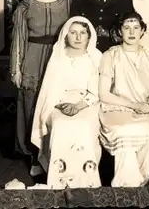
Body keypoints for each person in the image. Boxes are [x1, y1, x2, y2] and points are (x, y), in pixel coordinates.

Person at [10, 0, 72, 177]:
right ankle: (34, 157)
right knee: (32, 106)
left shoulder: (68, 3)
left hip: (61, 57)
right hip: (33, 58)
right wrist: (16, 69)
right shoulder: (24, 6)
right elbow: (19, 39)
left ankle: (59, 156)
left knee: (57, 104)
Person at [30, 16, 103, 189]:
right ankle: (60, 182)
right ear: (65, 35)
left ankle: (87, 182)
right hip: (59, 103)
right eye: (73, 33)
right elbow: (51, 88)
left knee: (84, 125)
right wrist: (61, 105)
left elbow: (97, 90)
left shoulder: (96, 57)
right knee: (61, 124)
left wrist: (78, 106)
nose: (78, 37)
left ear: (89, 36)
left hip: (88, 103)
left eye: (82, 33)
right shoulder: (58, 56)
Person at [98, 11, 149, 187]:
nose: (131, 32)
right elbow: (104, 94)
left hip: (146, 110)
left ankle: (139, 184)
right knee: (125, 133)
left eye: (136, 28)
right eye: (126, 28)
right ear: (119, 31)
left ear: (142, 31)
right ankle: (126, 188)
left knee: (146, 132)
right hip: (117, 109)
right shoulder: (110, 55)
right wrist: (133, 105)